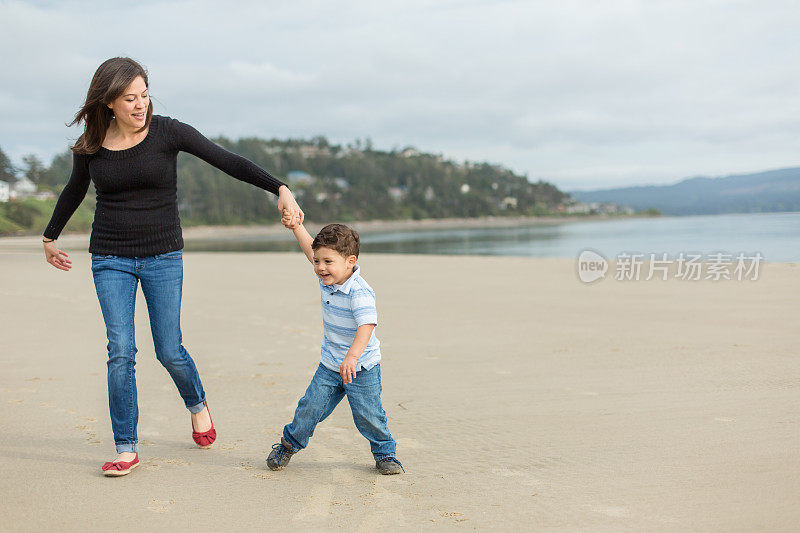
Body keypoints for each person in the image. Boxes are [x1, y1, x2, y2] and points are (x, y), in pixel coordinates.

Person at [41, 57, 303, 477]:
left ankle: (197, 403)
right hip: (109, 257)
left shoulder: (169, 131)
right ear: (109, 101)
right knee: (120, 351)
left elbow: (226, 160)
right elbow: (75, 190)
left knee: (169, 349)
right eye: (130, 98)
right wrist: (51, 236)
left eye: (144, 94)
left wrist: (280, 188)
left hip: (163, 256)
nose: (140, 104)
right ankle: (126, 447)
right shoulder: (92, 145)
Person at [266, 220, 403, 475]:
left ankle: (385, 454)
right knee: (310, 407)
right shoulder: (328, 278)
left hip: (361, 366)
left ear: (350, 261)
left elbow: (367, 325)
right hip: (330, 365)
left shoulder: (358, 291)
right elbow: (311, 248)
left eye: (327, 262)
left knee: (369, 415)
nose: (320, 267)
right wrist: (296, 226)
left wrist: (352, 357)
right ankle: (289, 444)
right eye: (318, 261)